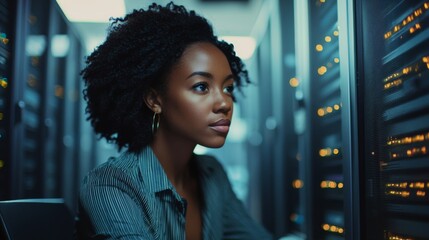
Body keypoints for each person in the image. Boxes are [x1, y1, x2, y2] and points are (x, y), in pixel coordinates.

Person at [76, 2, 272, 240]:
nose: (225, 103)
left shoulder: (212, 174)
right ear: (154, 100)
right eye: (201, 86)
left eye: (228, 87)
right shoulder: (111, 184)